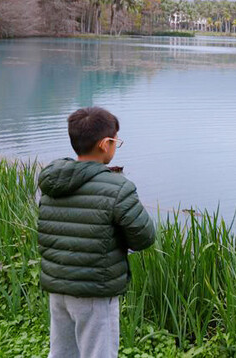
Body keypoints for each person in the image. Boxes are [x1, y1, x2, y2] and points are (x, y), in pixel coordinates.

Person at [37, 106, 156, 358]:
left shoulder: (51, 183)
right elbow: (144, 237)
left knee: (61, 352)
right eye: (116, 142)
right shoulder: (117, 188)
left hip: (58, 287)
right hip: (94, 290)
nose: (116, 147)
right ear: (105, 144)